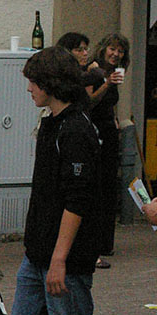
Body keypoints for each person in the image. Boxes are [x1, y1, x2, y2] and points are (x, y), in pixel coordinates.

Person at [11, 46, 102, 315]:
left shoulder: (77, 130)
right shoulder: (51, 123)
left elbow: (77, 200)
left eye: (33, 81)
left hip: (63, 258)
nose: (28, 88)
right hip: (37, 254)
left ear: (50, 83)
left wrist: (60, 259)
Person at [85, 34, 130, 269]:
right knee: (97, 185)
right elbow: (89, 102)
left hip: (109, 131)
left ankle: (105, 242)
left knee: (109, 184)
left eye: (120, 51)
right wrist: (107, 83)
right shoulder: (94, 71)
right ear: (104, 49)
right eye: (112, 49)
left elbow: (109, 103)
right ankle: (94, 241)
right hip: (95, 131)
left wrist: (114, 119)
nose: (116, 54)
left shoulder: (114, 72)